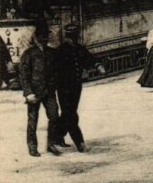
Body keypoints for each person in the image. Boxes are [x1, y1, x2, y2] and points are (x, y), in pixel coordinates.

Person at [55, 24, 105, 152]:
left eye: (75, 36)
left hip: (76, 86)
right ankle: (79, 142)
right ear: (67, 36)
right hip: (64, 87)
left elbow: (89, 59)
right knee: (71, 114)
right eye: (72, 36)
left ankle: (57, 136)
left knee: (68, 113)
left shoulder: (80, 48)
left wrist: (98, 65)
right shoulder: (61, 50)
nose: (74, 38)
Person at [20, 20, 62, 157]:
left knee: (54, 117)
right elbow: (24, 76)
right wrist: (28, 93)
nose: (45, 39)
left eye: (46, 36)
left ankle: (51, 144)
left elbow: (57, 71)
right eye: (42, 36)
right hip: (34, 93)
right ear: (36, 37)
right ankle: (32, 147)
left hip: (49, 92)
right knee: (33, 121)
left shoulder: (52, 53)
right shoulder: (28, 54)